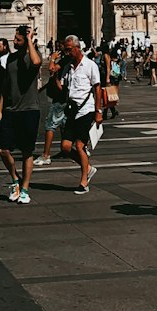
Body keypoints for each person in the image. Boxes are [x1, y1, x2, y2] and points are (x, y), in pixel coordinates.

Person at [0, 25, 42, 204]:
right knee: (2, 149)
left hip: (30, 110)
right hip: (11, 110)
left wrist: (30, 40)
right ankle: (15, 179)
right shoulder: (11, 59)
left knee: (27, 151)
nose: (13, 41)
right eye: (15, 38)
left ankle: (25, 189)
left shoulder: (33, 57)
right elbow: (5, 87)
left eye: (18, 39)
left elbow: (37, 64)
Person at [59, 35, 103, 194]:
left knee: (79, 146)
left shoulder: (90, 65)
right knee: (65, 147)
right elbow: (61, 89)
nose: (67, 53)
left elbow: (97, 88)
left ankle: (84, 182)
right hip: (72, 110)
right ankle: (88, 168)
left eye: (69, 50)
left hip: (87, 109)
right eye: (66, 50)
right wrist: (52, 72)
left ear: (78, 48)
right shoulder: (67, 67)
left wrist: (99, 111)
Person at [37, 46, 71, 166]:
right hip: (69, 98)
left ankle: (46, 155)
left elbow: (52, 69)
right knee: (65, 124)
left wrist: (52, 59)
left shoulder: (65, 60)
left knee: (50, 125)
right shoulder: (74, 61)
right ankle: (68, 151)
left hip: (60, 98)